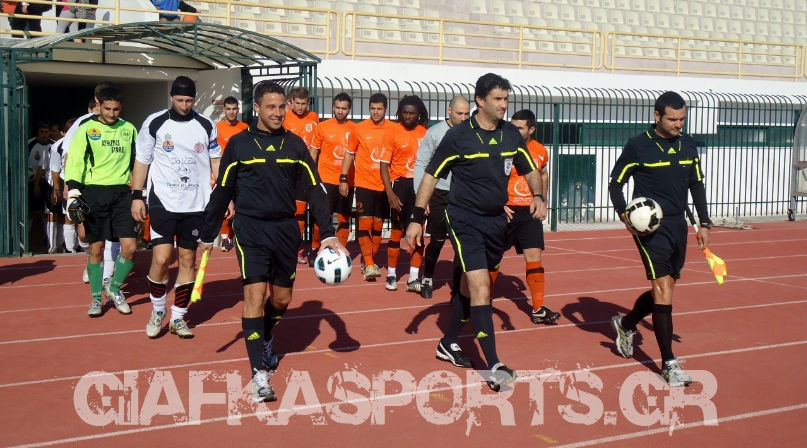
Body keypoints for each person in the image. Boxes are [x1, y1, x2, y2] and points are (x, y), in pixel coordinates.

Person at [199, 81, 347, 402]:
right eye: (271, 107)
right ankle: (259, 374)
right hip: (250, 229)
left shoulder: (295, 145)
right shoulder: (239, 145)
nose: (278, 113)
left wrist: (328, 232)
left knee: (281, 299)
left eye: (282, 107)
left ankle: (265, 336)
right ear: (257, 108)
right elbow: (223, 190)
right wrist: (209, 232)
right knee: (254, 296)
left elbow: (316, 189)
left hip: (285, 230)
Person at [405, 73, 547, 391]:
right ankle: (494, 365)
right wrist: (416, 217)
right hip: (463, 219)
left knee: (469, 290)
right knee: (482, 288)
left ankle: (448, 342)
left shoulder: (510, 135)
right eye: (497, 99)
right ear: (480, 101)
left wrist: (538, 195)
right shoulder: (458, 137)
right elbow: (431, 176)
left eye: (506, 99)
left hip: (496, 221)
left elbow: (530, 169)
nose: (503, 104)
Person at [608, 91, 712, 387]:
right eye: (673, 119)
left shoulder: (688, 144)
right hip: (650, 228)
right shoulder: (638, 145)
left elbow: (696, 184)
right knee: (663, 289)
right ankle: (669, 363)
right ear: (657, 116)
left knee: (666, 288)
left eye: (682, 119)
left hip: (679, 225)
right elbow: (616, 183)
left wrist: (704, 222)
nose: (679, 124)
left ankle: (626, 323)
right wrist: (625, 215)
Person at [131, 75, 221, 339]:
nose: (184, 105)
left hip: (196, 203)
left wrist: (224, 197)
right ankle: (158, 310)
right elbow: (142, 160)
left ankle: (178, 317)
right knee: (160, 259)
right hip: (164, 200)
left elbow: (216, 161)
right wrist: (137, 195)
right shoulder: (155, 122)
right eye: (180, 100)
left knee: (188, 260)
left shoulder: (206, 124)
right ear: (171, 97)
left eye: (189, 100)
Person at [63, 86, 138, 318]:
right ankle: (96, 299)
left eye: (116, 109)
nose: (112, 113)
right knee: (96, 248)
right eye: (107, 109)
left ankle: (114, 288)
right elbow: (75, 160)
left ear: (121, 107)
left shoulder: (129, 129)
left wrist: (139, 193)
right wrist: (73, 191)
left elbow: (136, 162)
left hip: (122, 193)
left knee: (130, 247)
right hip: (93, 193)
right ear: (99, 105)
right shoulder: (86, 128)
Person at [499, 109, 561, 324]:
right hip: (506, 210)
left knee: (534, 256)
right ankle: (477, 302)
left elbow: (543, 174)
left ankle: (538, 308)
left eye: (519, 128)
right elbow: (491, 176)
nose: (514, 131)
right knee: (491, 258)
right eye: (512, 126)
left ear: (531, 129)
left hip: (529, 212)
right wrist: (498, 203)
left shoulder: (540, 150)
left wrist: (542, 200)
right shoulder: (502, 147)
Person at [413, 95, 470, 299]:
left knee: (461, 245)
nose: (463, 118)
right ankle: (427, 278)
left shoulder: (472, 133)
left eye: (467, 114)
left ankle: (458, 289)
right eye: (459, 113)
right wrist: (422, 196)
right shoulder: (435, 132)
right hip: (439, 193)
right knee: (437, 240)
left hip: (463, 196)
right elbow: (421, 163)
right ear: (449, 111)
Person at [340, 93, 392, 281]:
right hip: (364, 183)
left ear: (385, 110)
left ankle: (370, 260)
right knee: (364, 223)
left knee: (378, 224)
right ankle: (369, 264)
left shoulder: (393, 129)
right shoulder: (359, 128)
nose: (375, 112)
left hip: (385, 186)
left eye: (379, 109)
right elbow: (349, 154)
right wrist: (343, 179)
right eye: (372, 108)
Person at [379, 95, 429, 293]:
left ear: (419, 115)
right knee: (397, 231)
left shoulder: (426, 133)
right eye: (405, 113)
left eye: (412, 113)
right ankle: (391, 274)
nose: (408, 116)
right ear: (400, 113)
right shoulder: (391, 132)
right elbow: (383, 166)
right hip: (399, 186)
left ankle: (414, 277)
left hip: (420, 187)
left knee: (418, 232)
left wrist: (428, 196)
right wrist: (390, 193)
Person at [309, 92, 355, 249]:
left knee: (344, 218)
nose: (340, 111)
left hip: (347, 181)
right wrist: (311, 176)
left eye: (344, 108)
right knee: (323, 217)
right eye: (337, 107)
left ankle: (340, 251)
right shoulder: (322, 127)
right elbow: (313, 152)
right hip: (326, 179)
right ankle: (315, 249)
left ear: (349, 109)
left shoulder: (355, 129)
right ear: (333, 107)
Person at [284, 87, 320, 265]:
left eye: (303, 103)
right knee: (292, 211)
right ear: (291, 102)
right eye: (297, 103)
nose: (300, 107)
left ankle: (312, 249)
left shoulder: (314, 117)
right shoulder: (285, 117)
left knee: (311, 212)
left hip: (308, 171)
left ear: (308, 103)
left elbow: (317, 144)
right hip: (289, 171)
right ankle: (291, 248)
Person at [214, 95, 248, 251]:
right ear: (224, 110)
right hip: (223, 172)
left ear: (238, 110)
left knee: (240, 207)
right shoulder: (217, 128)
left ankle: (235, 236)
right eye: (228, 109)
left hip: (241, 174)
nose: (231, 112)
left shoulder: (244, 127)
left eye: (234, 109)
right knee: (224, 206)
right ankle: (225, 239)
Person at [28, 121, 54, 251]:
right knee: (31, 211)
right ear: (37, 133)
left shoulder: (53, 145)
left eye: (46, 132)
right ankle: (25, 240)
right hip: (31, 181)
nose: (44, 134)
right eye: (41, 132)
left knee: (47, 212)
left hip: (48, 182)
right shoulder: (30, 144)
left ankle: (47, 239)